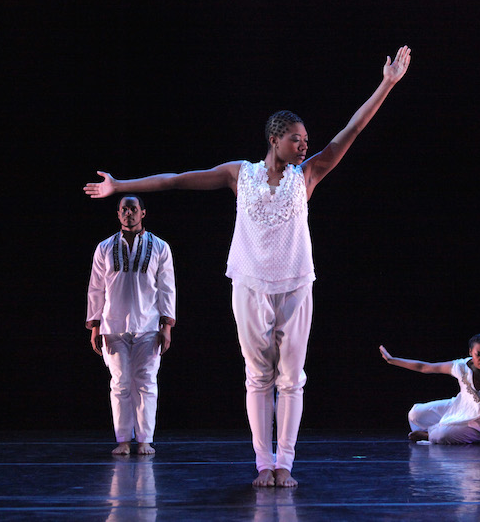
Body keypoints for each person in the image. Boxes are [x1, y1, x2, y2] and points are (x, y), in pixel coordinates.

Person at [84, 45, 412, 486]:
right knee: (258, 377)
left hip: (295, 285)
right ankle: (263, 464)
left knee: (291, 379)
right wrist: (121, 184)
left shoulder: (307, 175)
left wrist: (387, 84)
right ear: (274, 139)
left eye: (306, 139)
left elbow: (350, 130)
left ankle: (285, 464)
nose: (305, 144)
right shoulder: (240, 174)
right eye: (297, 138)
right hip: (250, 286)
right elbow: (176, 180)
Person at [86, 195, 176, 456]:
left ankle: (145, 439)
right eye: (124, 209)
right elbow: (96, 288)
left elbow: (167, 288)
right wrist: (95, 325)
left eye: (133, 209)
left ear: (142, 213)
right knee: (120, 383)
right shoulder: (105, 247)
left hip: (148, 324)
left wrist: (167, 326)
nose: (128, 213)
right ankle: (123, 439)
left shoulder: (160, 247)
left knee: (146, 382)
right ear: (118, 214)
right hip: (113, 324)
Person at [379, 334, 480, 448]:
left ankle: (429, 435)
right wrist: (392, 360)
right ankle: (438, 431)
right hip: (459, 407)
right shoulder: (459, 366)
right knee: (415, 413)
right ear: (471, 352)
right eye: (478, 354)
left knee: (443, 435)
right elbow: (425, 367)